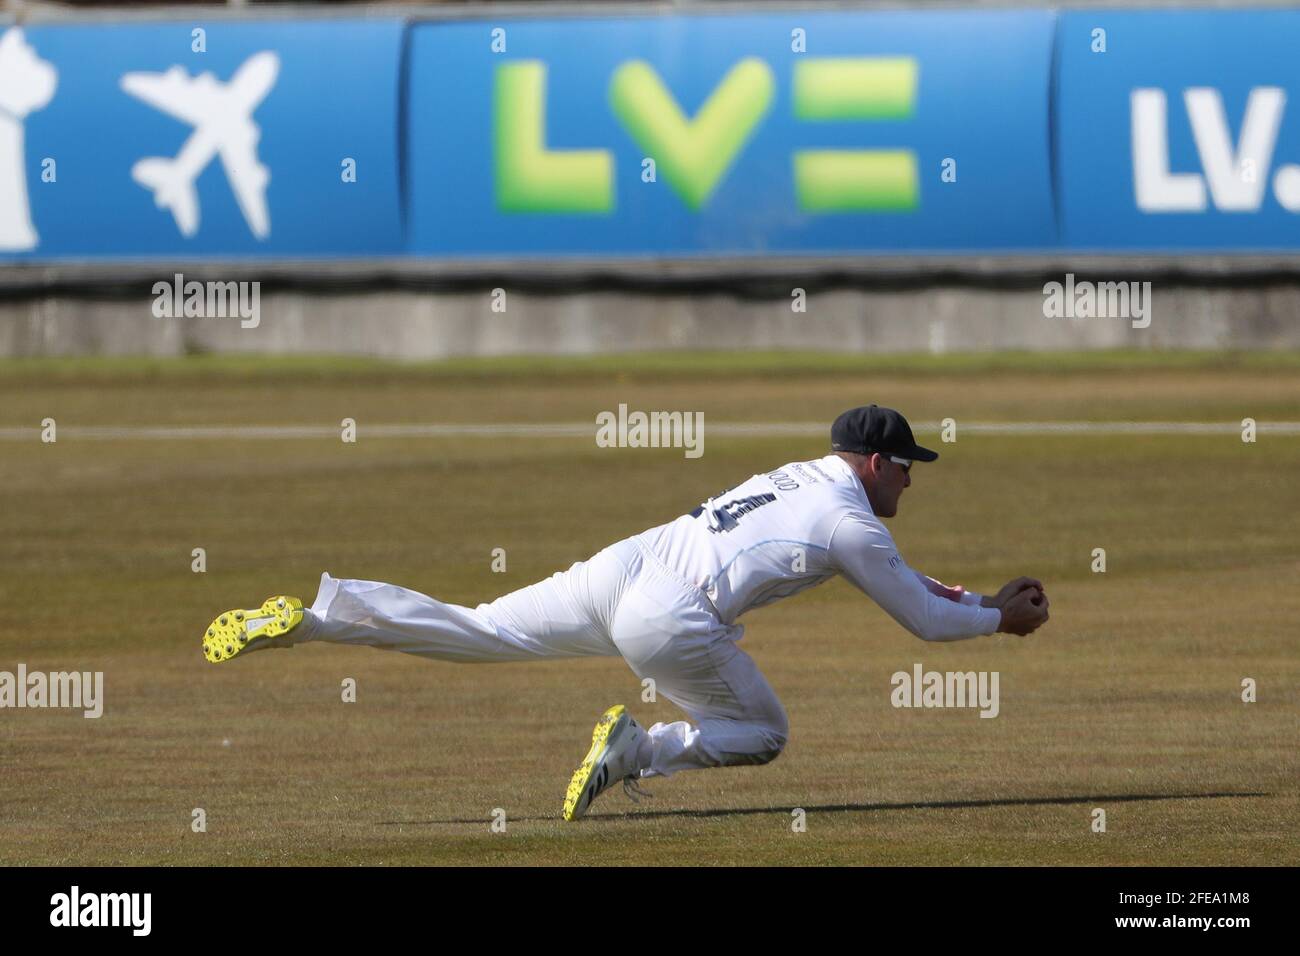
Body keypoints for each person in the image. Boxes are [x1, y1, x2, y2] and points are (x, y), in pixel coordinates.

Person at [201, 404, 1050, 820]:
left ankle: (319, 616)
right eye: (907, 465)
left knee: (481, 626)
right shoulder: (848, 517)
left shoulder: (806, 478)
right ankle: (636, 748)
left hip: (623, 565)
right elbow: (921, 619)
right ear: (873, 461)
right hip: (671, 614)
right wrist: (997, 623)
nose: (912, 477)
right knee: (765, 734)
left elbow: (903, 574)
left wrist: (981, 597)